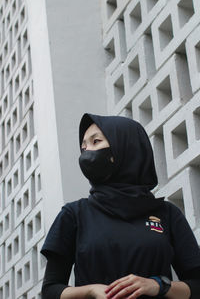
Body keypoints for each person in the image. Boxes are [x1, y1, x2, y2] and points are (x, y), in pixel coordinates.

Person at [41, 113, 200, 299]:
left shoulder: (168, 214)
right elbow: (50, 290)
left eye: (95, 142)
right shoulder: (73, 214)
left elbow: (196, 285)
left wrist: (158, 284)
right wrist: (91, 291)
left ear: (125, 146)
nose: (86, 152)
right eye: (84, 147)